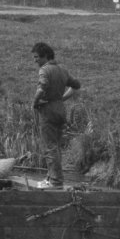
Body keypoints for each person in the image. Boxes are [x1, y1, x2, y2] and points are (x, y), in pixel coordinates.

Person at [31, 41, 80, 189]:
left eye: (37, 57)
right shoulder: (62, 70)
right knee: (56, 146)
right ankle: (51, 178)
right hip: (60, 110)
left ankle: (55, 182)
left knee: (49, 147)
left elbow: (42, 87)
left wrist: (35, 102)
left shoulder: (44, 70)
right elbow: (76, 85)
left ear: (46, 56)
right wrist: (62, 98)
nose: (35, 61)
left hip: (48, 111)